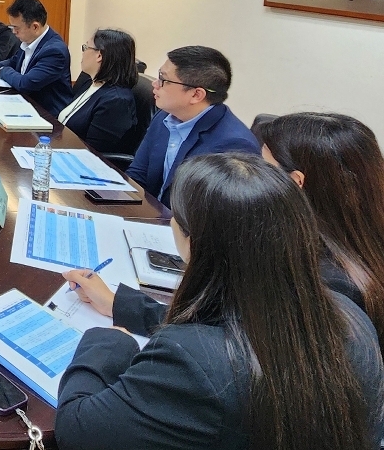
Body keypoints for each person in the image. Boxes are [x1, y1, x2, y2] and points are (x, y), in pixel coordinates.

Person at [56, 153, 384, 450]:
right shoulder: (348, 313)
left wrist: (109, 342)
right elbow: (237, 326)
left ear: (194, 241)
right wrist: (122, 305)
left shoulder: (192, 363)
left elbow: (77, 429)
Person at [259, 112, 384, 339]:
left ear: (296, 181)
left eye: (266, 168)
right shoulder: (366, 233)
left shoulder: (323, 281)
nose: (258, 177)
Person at [125, 45, 258, 206]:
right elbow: (138, 174)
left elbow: (212, 213)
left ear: (196, 94)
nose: (155, 84)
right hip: (149, 214)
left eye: (163, 79)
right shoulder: (165, 116)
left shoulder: (235, 145)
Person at [0, 0, 72, 115]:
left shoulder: (54, 51)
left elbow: (26, 83)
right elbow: (14, 61)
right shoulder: (30, 39)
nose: (14, 32)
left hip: (46, 113)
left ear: (35, 27)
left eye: (16, 28)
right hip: (25, 103)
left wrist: (2, 71)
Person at [58, 29, 139, 155]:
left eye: (86, 47)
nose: (83, 52)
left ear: (99, 56)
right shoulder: (90, 82)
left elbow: (94, 152)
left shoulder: (116, 101)